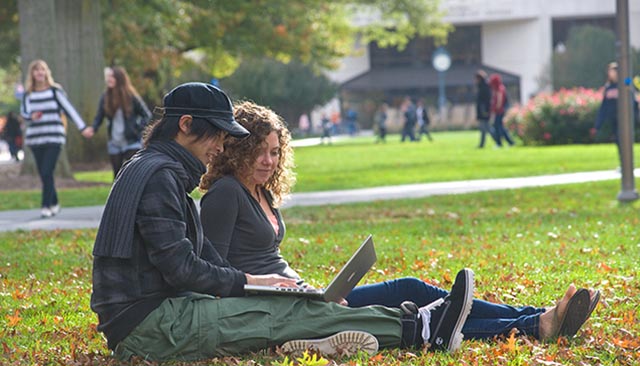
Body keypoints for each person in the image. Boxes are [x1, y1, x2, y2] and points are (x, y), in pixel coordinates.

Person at [90, 83, 474, 362]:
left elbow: (199, 258)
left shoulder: (154, 168)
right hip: (150, 328)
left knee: (286, 306)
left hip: (155, 316)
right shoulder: (160, 176)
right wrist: (252, 284)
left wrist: (265, 283)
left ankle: (397, 325)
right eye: (218, 136)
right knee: (283, 313)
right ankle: (420, 329)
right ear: (186, 124)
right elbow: (181, 269)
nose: (221, 148)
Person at [199, 101, 600, 345]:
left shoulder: (259, 190)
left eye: (274, 152)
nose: (269, 161)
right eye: (260, 151)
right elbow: (217, 277)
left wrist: (310, 289)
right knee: (416, 314)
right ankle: (536, 324)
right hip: (284, 306)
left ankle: (541, 312)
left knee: (413, 288)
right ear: (236, 149)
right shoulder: (225, 194)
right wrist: (286, 293)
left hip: (306, 294)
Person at [20, 59, 92, 218]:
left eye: (42, 70)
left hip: (54, 137)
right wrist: (32, 116)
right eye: (36, 70)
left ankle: (46, 205)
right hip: (36, 139)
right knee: (44, 173)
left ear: (46, 73)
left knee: (47, 170)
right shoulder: (28, 94)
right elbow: (24, 113)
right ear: (32, 74)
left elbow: (69, 110)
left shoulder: (55, 91)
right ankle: (55, 203)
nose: (39, 72)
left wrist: (83, 128)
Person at [84, 66, 152, 178]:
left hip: (131, 142)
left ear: (119, 79)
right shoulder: (105, 97)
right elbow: (99, 117)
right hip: (114, 143)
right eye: (108, 77)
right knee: (117, 176)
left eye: (112, 77)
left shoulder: (131, 97)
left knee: (132, 173)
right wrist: (93, 128)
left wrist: (137, 129)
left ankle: (134, 195)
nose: (108, 79)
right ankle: (119, 196)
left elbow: (146, 115)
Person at [489, 74, 515, 147]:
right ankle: (509, 142)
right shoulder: (499, 88)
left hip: (499, 111)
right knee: (500, 127)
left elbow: (499, 102)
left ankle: (500, 143)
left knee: (498, 127)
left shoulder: (499, 89)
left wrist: (495, 109)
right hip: (500, 111)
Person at [475, 70, 497, 148]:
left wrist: (485, 111)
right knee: (484, 129)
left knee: (487, 128)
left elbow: (485, 101)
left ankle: (498, 141)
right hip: (483, 111)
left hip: (484, 111)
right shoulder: (483, 86)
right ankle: (482, 144)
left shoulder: (484, 87)